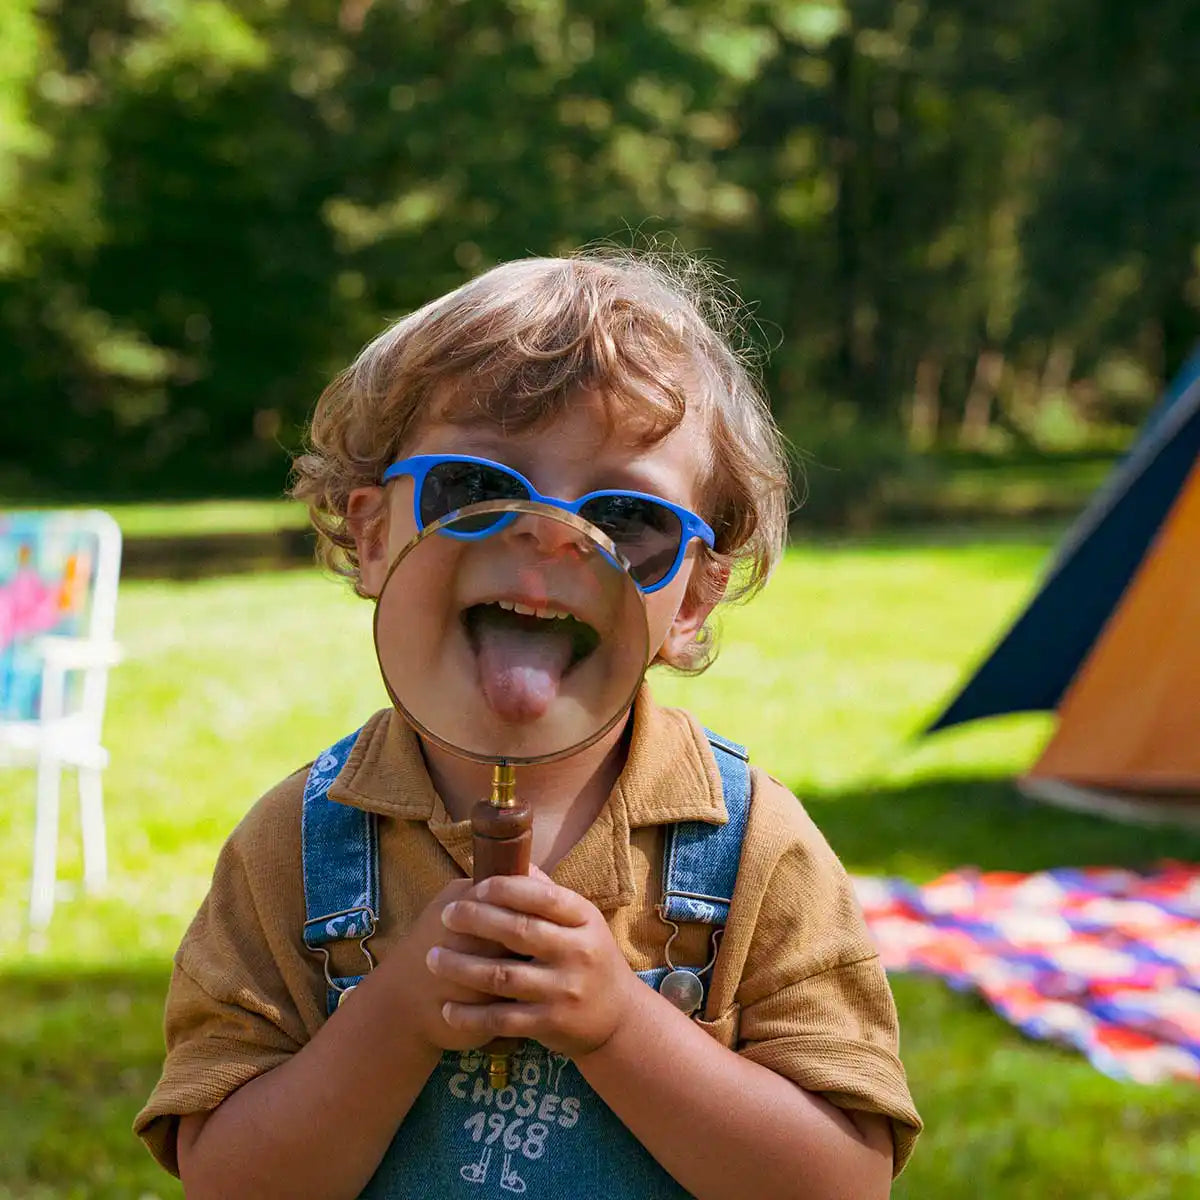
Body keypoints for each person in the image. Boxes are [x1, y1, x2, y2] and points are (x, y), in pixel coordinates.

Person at [135, 250, 921, 1198]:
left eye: (628, 517)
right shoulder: (296, 851)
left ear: (693, 602)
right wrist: (393, 1018)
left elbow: (844, 1184)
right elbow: (228, 1181)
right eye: (473, 489)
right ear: (375, 532)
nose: (551, 537)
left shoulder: (754, 850)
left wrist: (623, 1025)